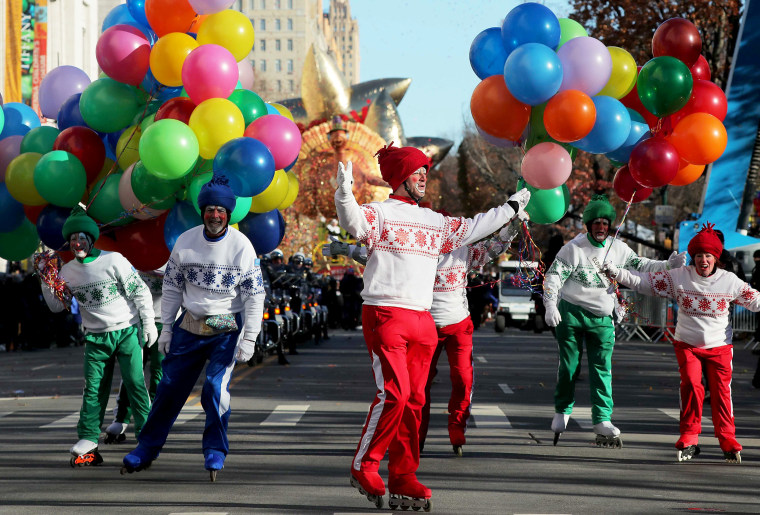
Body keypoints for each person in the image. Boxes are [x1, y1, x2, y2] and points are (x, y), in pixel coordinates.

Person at [335, 142, 529, 510]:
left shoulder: (436, 223)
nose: (424, 174)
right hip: (386, 314)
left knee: (416, 400)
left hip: (423, 320)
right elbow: (354, 224)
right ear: (399, 177)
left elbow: (475, 227)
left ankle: (404, 475)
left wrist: (511, 208)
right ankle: (365, 464)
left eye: (426, 169)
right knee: (393, 393)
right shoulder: (381, 213)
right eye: (416, 170)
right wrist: (344, 194)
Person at [121, 175, 265, 481]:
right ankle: (146, 447)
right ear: (202, 212)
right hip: (190, 322)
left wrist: (249, 338)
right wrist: (167, 331)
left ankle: (215, 448)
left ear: (229, 214)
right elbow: (172, 288)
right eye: (210, 209)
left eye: (220, 211)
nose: (215, 215)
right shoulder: (186, 241)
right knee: (169, 387)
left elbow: (255, 296)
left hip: (226, 323)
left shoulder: (242, 246)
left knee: (214, 388)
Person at [604, 222, 759, 463]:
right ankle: (689, 436)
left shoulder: (730, 281)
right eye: (698, 256)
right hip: (687, 344)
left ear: (716, 258)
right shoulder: (679, 277)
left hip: (719, 346)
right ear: (693, 258)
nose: (703, 261)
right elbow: (645, 282)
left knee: (721, 392)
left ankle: (727, 439)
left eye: (708, 256)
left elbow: (755, 300)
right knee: (691, 385)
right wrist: (617, 272)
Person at [542, 194, 687, 447]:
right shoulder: (573, 248)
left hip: (602, 317)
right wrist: (550, 304)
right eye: (596, 223)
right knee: (569, 365)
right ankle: (562, 410)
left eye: (605, 223)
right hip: (571, 313)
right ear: (588, 225)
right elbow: (553, 277)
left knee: (602, 369)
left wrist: (667, 264)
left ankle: (602, 419)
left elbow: (640, 263)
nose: (601, 227)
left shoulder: (617, 247)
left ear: (610, 226)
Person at [38, 207, 157, 467]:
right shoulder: (68, 272)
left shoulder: (114, 260)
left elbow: (140, 293)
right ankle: (89, 439)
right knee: (93, 390)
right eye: (72, 240)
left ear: (91, 239)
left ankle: (148, 438)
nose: (77, 243)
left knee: (135, 383)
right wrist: (47, 281)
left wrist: (148, 323)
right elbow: (57, 306)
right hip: (95, 338)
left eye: (81, 238)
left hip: (126, 331)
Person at [420, 215, 525, 456]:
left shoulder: (464, 252)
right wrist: (352, 250)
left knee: (463, 379)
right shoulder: (420, 251)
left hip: (458, 325)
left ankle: (457, 428)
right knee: (419, 385)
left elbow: (493, 247)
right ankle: (416, 435)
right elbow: (385, 256)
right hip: (425, 327)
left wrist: (512, 229)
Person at [104, 266, 166, 444]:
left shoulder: (175, 250)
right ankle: (121, 418)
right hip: (136, 321)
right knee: (131, 372)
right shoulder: (131, 257)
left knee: (159, 373)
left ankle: (153, 419)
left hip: (165, 322)